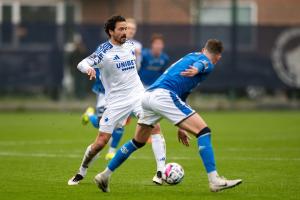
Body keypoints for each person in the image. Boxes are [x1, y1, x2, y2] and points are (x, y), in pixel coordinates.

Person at [94, 39, 243, 193]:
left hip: (148, 96)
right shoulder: (207, 62)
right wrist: (197, 70)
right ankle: (214, 180)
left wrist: (181, 127)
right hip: (163, 96)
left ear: (203, 48)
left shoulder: (192, 55)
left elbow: (182, 97)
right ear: (218, 57)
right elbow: (203, 64)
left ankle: (105, 175)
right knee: (204, 131)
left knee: (137, 142)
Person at [67, 15, 168, 186]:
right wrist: (89, 69)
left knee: (154, 126)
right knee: (100, 143)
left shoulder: (130, 45)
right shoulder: (103, 51)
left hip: (137, 95)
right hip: (116, 102)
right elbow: (81, 63)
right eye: (121, 29)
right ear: (110, 31)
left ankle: (160, 171)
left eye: (126, 29)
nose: (125, 32)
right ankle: (81, 171)